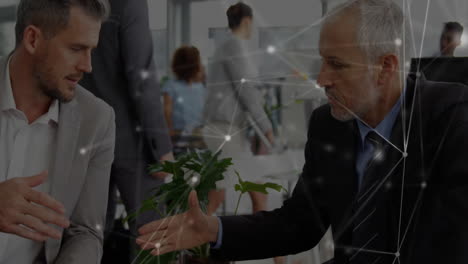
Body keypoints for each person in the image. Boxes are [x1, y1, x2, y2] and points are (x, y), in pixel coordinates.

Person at [136, 1, 468, 264]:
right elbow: (299, 224)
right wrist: (214, 229)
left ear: (386, 67)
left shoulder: (452, 120)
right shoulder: (329, 126)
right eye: (323, 62)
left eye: (337, 64)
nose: (321, 79)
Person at [0, 0, 114, 263]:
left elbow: (85, 231)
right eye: (76, 49)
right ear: (32, 39)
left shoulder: (97, 120)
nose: (87, 66)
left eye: (91, 51)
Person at [79, 0, 174, 246]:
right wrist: (160, 146)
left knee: (88, 234)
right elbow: (141, 77)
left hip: (83, 136)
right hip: (132, 139)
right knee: (153, 236)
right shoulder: (130, 4)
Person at [162, 45, 206, 153]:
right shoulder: (200, 87)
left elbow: (167, 110)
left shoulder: (170, 85)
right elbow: (167, 111)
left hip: (179, 133)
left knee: (181, 164)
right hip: (195, 132)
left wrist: (170, 131)